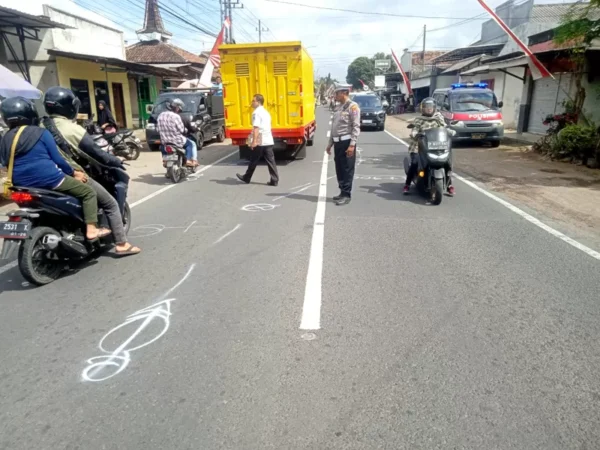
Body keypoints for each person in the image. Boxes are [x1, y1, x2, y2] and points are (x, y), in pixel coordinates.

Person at [42, 86, 141, 256]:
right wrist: (115, 160)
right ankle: (121, 243)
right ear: (70, 106)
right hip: (69, 174)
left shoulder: (41, 125)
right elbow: (96, 152)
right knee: (109, 203)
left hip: (43, 176)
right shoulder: (72, 129)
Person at [0, 97, 110, 241]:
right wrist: (73, 172)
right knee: (88, 192)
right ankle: (92, 229)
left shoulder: (5, 138)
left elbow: (4, 163)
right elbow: (58, 160)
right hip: (50, 180)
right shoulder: (41, 133)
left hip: (19, 185)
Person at [403, 97, 455, 196]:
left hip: (436, 145)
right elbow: (414, 129)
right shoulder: (419, 119)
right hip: (420, 145)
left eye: (431, 107)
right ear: (423, 108)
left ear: (434, 108)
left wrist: (451, 131)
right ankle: (407, 184)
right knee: (414, 163)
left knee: (446, 162)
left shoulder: (438, 117)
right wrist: (414, 134)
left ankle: (449, 185)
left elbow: (444, 127)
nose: (429, 109)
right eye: (427, 107)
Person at [326, 84, 360, 206]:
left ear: (344, 93)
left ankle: (346, 194)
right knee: (339, 168)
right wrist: (330, 144)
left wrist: (352, 145)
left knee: (347, 168)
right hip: (337, 142)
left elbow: (356, 127)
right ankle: (342, 191)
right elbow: (334, 127)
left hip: (347, 142)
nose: (335, 96)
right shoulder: (338, 108)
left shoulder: (353, 107)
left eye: (337, 93)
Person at [236, 94, 279, 186]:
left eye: (253, 101)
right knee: (271, 161)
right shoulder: (266, 112)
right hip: (268, 139)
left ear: (258, 102)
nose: (252, 103)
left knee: (254, 160)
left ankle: (247, 177)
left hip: (260, 140)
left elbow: (256, 128)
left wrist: (254, 142)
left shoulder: (256, 113)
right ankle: (274, 179)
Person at [156, 98, 199, 167]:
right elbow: (181, 130)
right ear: (176, 108)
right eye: (179, 108)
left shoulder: (160, 115)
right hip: (177, 141)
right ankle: (188, 160)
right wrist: (185, 130)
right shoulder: (176, 116)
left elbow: (158, 129)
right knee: (190, 144)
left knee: (162, 146)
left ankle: (165, 161)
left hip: (165, 141)